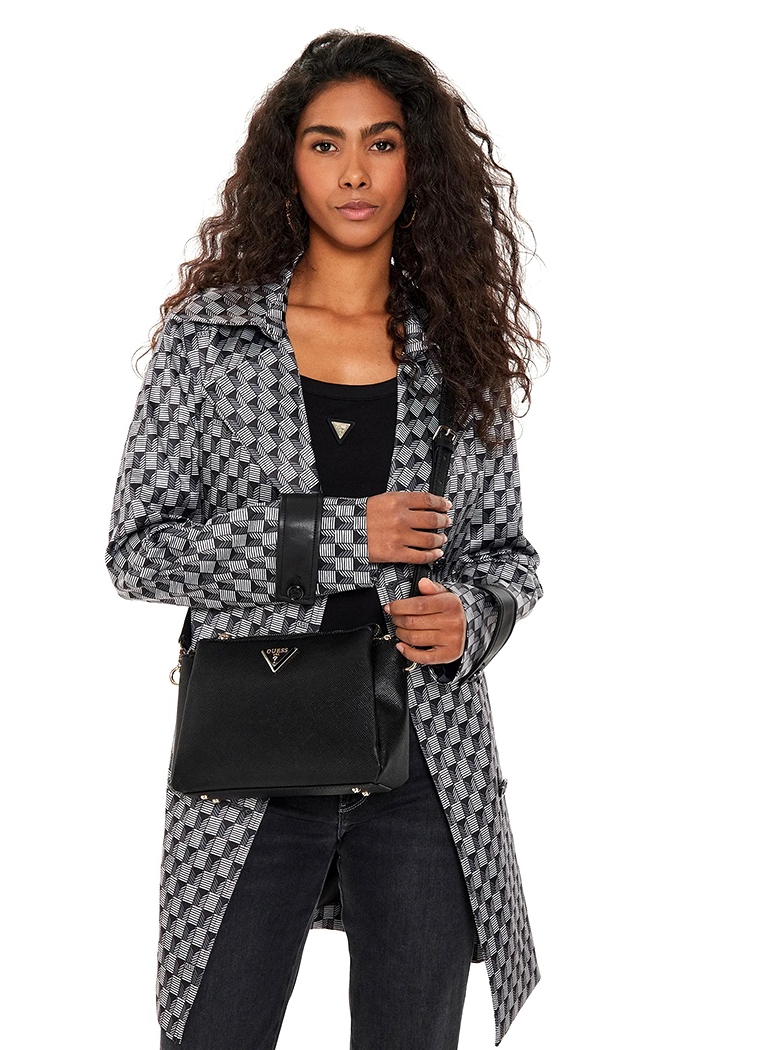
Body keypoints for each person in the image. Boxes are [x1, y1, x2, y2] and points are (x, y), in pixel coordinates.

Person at [105, 29, 548, 1050]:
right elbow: (140, 550)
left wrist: (471, 617)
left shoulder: (457, 349)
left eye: (382, 143)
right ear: (288, 163)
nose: (354, 172)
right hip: (250, 759)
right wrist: (348, 535)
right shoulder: (213, 341)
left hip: (426, 764)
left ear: (417, 163)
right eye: (325, 144)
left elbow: (506, 557)